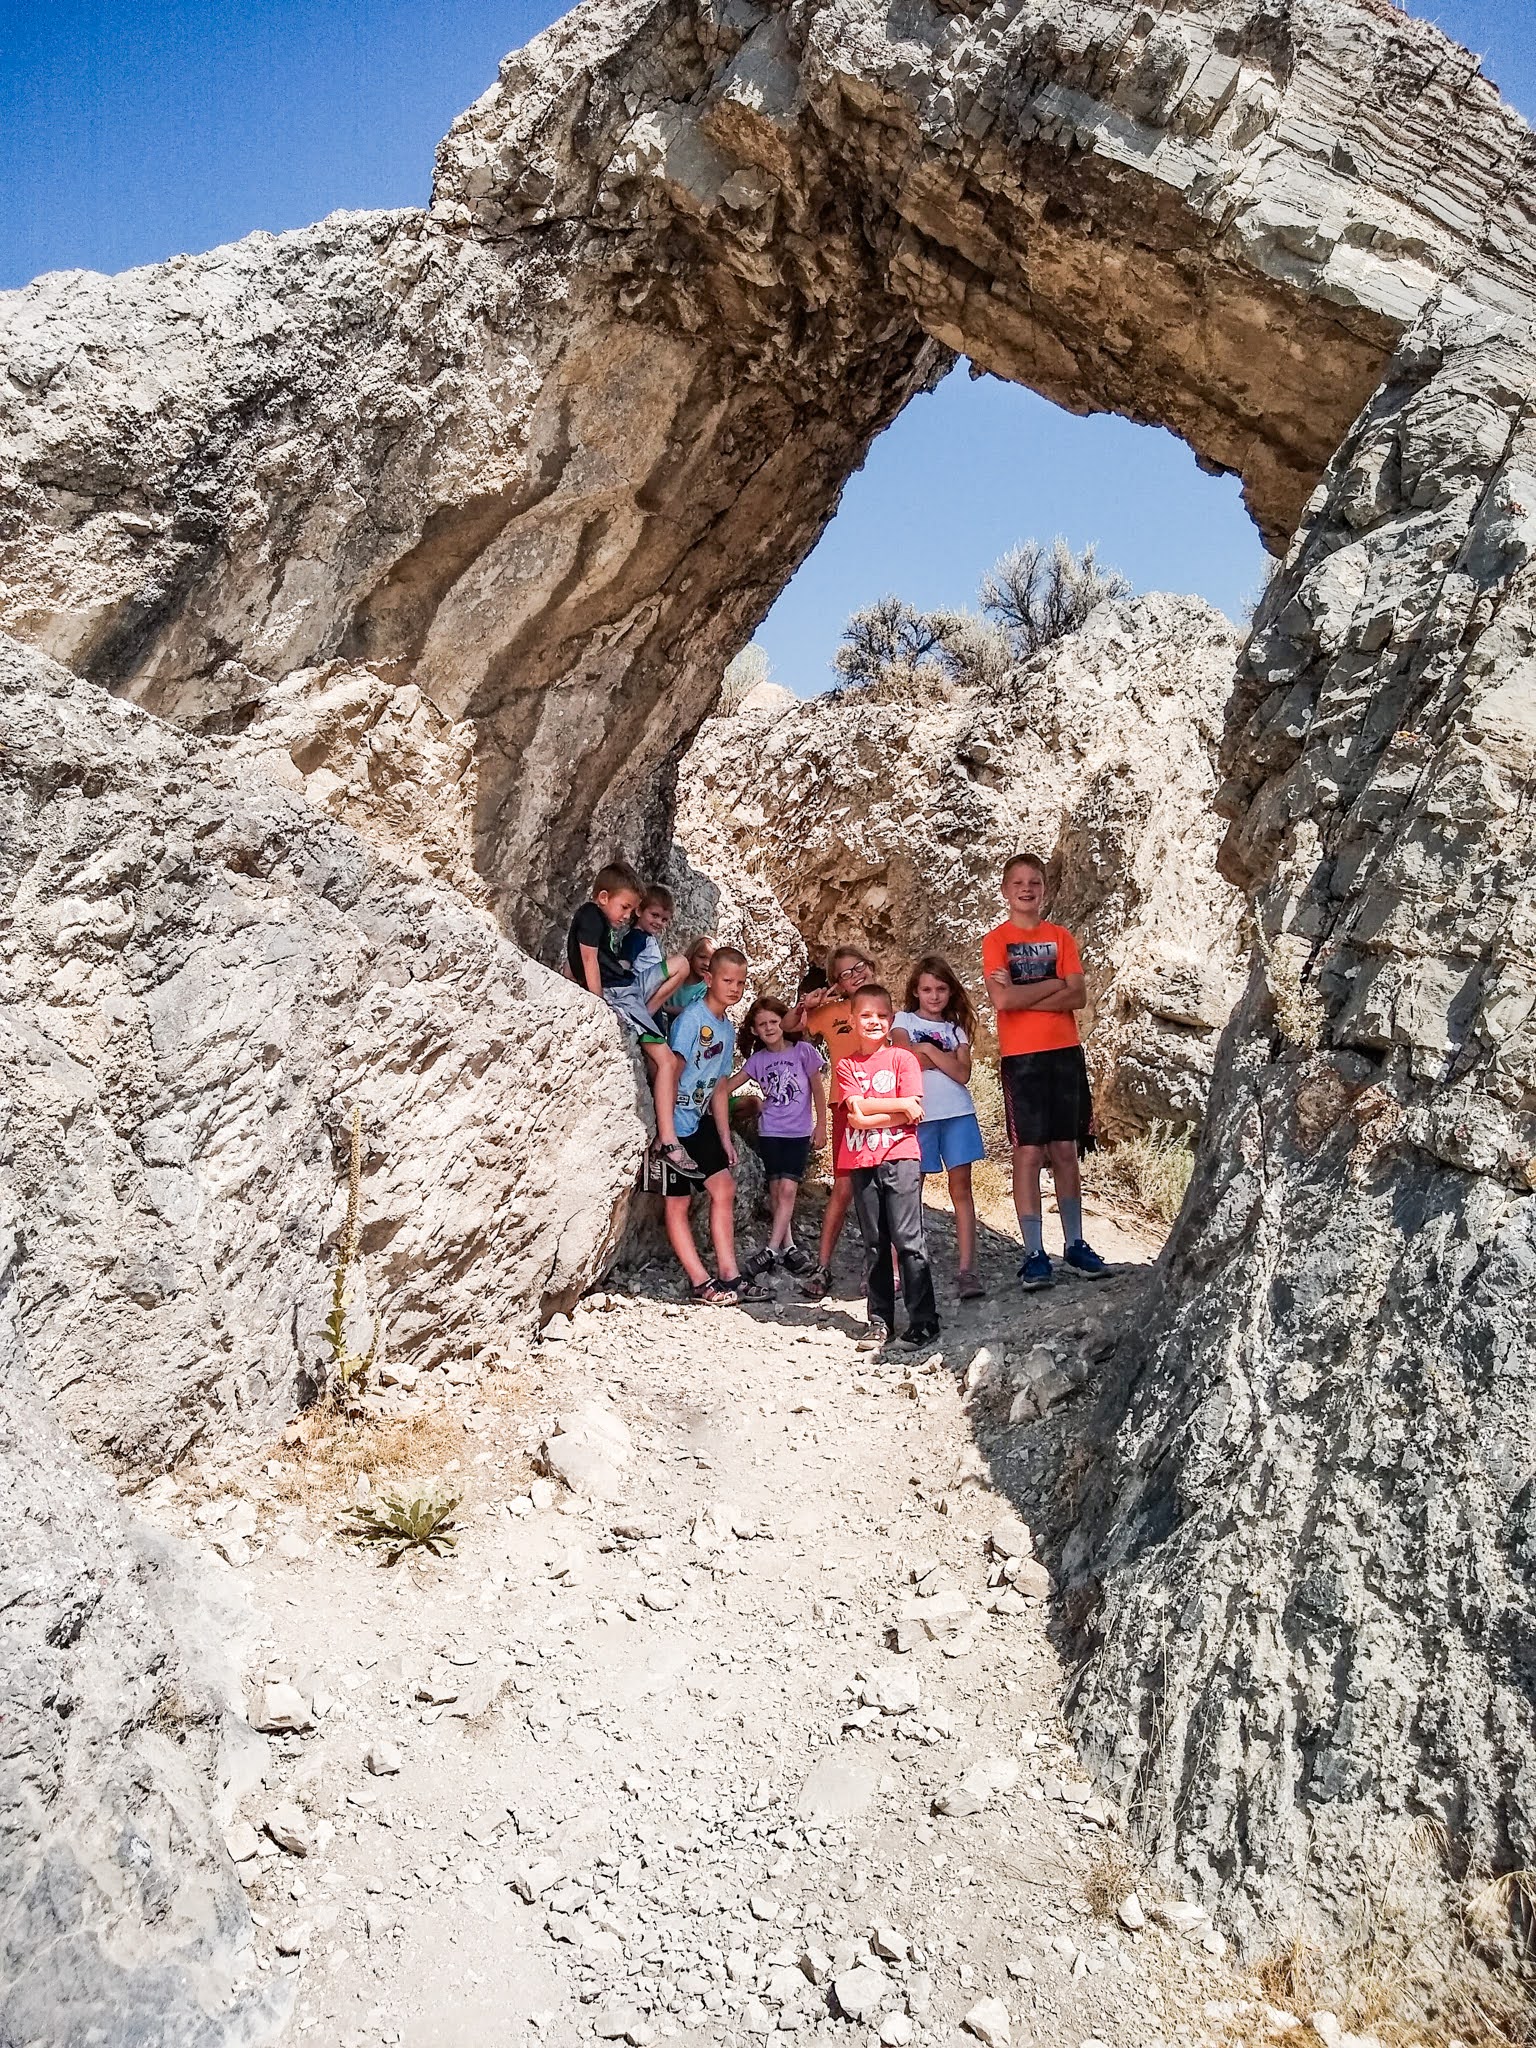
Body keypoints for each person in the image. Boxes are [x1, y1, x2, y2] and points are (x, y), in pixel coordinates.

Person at [981, 853, 1108, 1289]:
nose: (1027, 889)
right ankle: (1035, 1252)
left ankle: (1075, 1243)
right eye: (1018, 882)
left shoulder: (1060, 937)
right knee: (1029, 1152)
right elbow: (1003, 1001)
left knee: (1065, 1149)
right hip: (1023, 1058)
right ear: (1005, 890)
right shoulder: (996, 941)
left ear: (1044, 888)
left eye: (1034, 882)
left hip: (1064, 1053)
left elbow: (1078, 996)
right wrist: (1054, 984)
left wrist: (1027, 992)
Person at [566, 862, 694, 1175]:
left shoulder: (595, 921)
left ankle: (665, 1140)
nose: (627, 915)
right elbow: (587, 961)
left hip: (628, 989)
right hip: (620, 994)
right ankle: (668, 1142)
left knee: (667, 1062)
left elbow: (574, 962)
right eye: (624, 907)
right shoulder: (591, 915)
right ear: (603, 897)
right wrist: (597, 1005)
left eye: (631, 909)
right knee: (666, 1061)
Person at [835, 984, 939, 1353]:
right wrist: (896, 1107)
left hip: (901, 1156)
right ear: (852, 1020)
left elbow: (914, 1110)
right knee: (875, 1243)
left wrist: (870, 1113)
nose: (874, 1021)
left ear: (891, 1019)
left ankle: (924, 1321)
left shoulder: (903, 1060)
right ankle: (880, 1321)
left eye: (881, 1015)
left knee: (908, 1240)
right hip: (862, 1161)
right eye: (865, 1015)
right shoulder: (846, 1065)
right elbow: (857, 1114)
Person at [662, 947, 769, 1305]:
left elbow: (720, 1085)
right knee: (677, 1203)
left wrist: (725, 1137)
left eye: (741, 982)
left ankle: (730, 1275)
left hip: (699, 1120)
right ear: (708, 979)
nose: (735, 988)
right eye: (727, 981)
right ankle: (700, 1282)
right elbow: (671, 1073)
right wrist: (665, 1132)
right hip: (675, 1124)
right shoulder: (691, 1020)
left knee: (723, 1188)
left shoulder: (725, 1027)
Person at [783, 944, 877, 1299]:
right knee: (843, 1187)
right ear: (836, 982)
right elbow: (790, 1029)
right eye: (846, 974)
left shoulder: (885, 1008)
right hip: (844, 1106)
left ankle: (879, 1267)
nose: (857, 976)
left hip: (883, 1106)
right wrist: (805, 1006)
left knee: (881, 1189)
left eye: (860, 967)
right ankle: (823, 1266)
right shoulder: (830, 1012)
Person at [893, 954, 986, 1299]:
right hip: (920, 1114)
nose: (934, 996)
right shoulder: (902, 1020)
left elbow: (963, 1074)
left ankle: (968, 1270)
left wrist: (928, 1050)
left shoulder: (955, 1028)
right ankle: (900, 1268)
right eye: (927, 989)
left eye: (941, 989)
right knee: (909, 1191)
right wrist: (939, 1058)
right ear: (916, 992)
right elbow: (905, 1059)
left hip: (958, 1113)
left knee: (961, 1190)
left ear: (950, 992)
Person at [725, 997, 827, 1277]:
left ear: (785, 1022)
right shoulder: (758, 1060)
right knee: (776, 1189)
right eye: (762, 1024)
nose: (769, 1027)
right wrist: (711, 1089)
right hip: (770, 1131)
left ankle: (770, 1249)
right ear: (754, 1030)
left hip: (798, 1132)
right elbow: (730, 1085)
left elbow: (818, 1090)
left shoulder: (804, 1052)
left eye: (774, 1021)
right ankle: (789, 1246)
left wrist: (821, 1125)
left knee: (789, 1189)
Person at [621, 883, 692, 1018]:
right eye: (654, 915)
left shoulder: (647, 938)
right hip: (635, 989)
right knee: (681, 964)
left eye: (664, 919)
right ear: (639, 911)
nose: (659, 922)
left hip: (646, 991)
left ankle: (651, 1014)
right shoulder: (636, 937)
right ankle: (646, 1013)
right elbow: (624, 964)